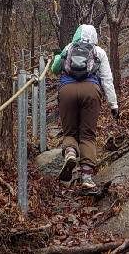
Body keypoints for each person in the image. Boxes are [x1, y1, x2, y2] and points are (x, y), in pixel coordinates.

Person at [51, 24, 119, 190]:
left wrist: (57, 57)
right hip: (91, 91)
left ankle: (70, 153)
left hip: (67, 91)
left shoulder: (69, 47)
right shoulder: (99, 52)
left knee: (70, 132)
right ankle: (87, 177)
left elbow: (54, 69)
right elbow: (107, 81)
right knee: (88, 135)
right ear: (95, 37)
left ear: (76, 35)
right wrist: (113, 104)